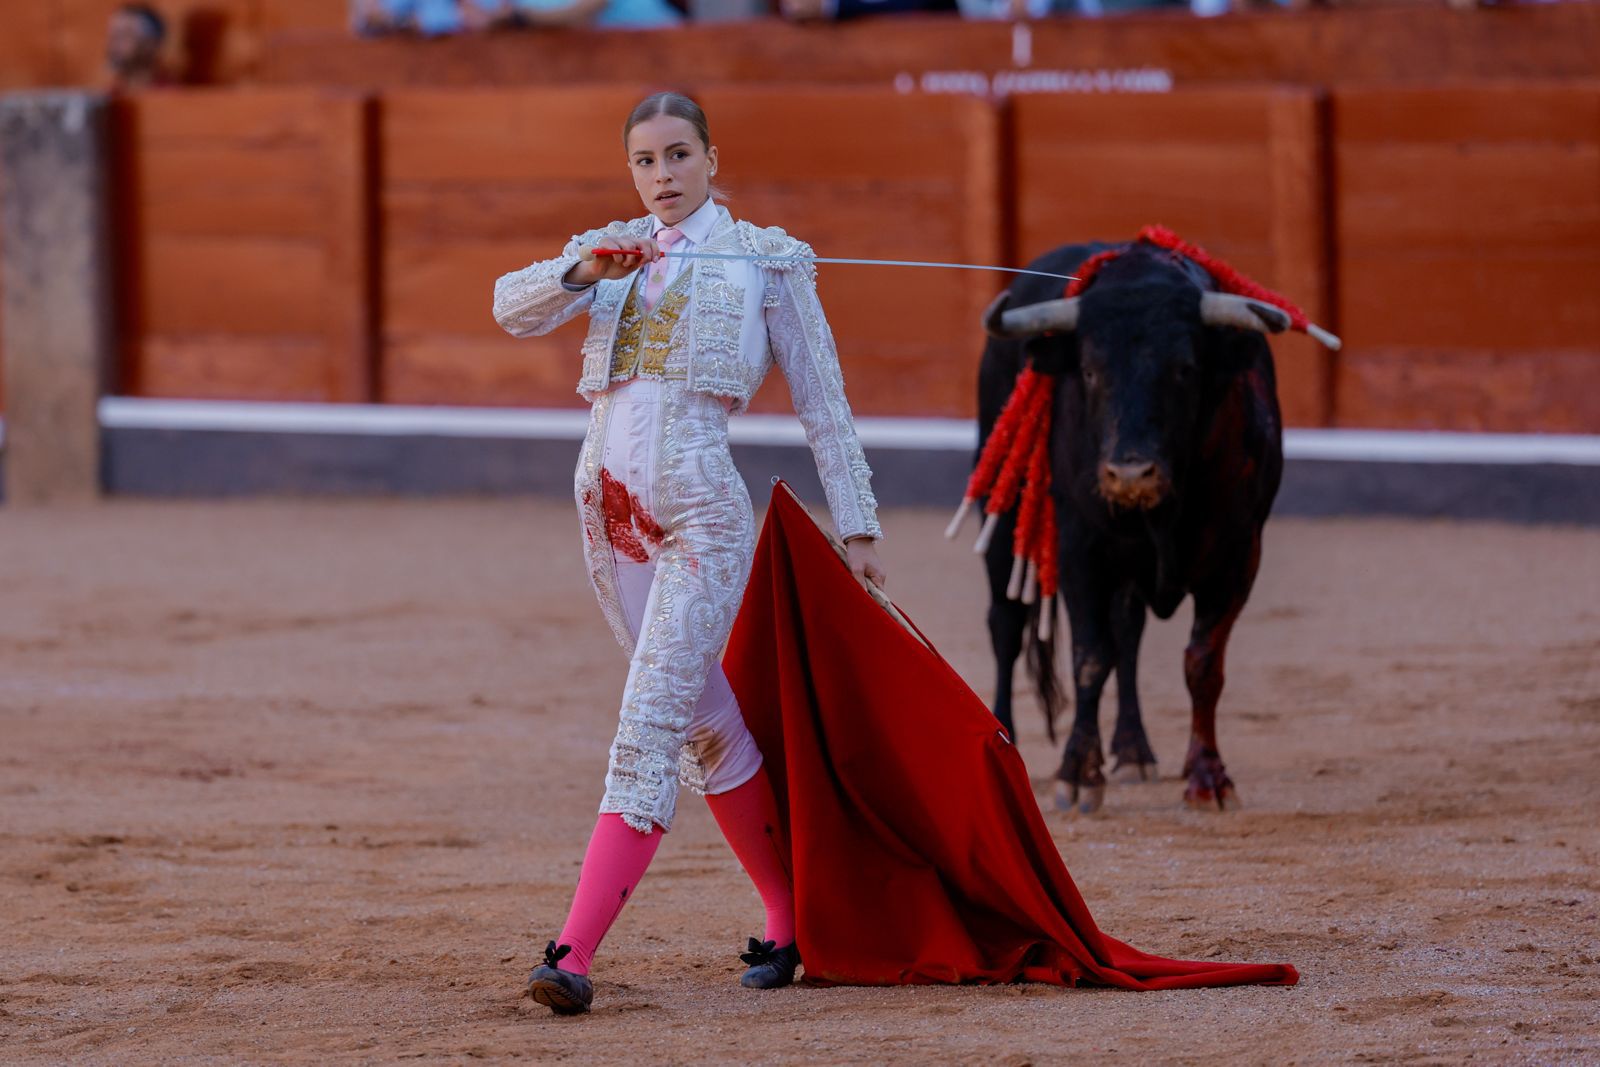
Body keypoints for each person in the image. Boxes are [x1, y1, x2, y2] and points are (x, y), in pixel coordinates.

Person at [492, 91, 886, 1015]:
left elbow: (823, 401)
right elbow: (509, 308)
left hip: (703, 517)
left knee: (648, 723)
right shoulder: (613, 248)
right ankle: (789, 920)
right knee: (704, 722)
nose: (662, 175)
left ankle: (572, 953)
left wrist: (858, 526)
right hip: (609, 516)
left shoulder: (769, 260)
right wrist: (581, 270)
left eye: (678, 155)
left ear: (712, 159)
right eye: (645, 160)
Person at [105, 3, 171, 90]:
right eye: (114, 35)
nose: (114, 43)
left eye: (125, 34)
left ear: (150, 43)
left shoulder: (170, 92)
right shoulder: (111, 92)